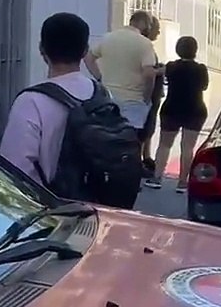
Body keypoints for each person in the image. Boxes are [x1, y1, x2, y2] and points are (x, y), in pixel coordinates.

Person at [3, 12, 143, 207]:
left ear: (42, 49)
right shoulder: (101, 93)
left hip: (53, 213)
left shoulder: (31, 101)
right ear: (85, 50)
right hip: (98, 209)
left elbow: (15, 168)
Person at [145, 35, 210, 192]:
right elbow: (204, 87)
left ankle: (157, 178)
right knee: (188, 147)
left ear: (178, 49)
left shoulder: (171, 66)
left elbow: (157, 72)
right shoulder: (201, 69)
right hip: (195, 110)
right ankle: (182, 182)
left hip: (171, 109)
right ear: (195, 50)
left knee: (164, 145)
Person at [84, 10, 160, 143]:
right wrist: (147, 98)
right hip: (133, 100)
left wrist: (100, 78)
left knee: (108, 140)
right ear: (144, 24)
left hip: (108, 99)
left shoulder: (108, 38)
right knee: (130, 143)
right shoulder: (145, 44)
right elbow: (149, 74)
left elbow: (88, 58)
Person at [140, 15, 165, 173]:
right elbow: (147, 72)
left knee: (149, 126)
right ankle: (142, 159)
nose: (159, 32)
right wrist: (161, 70)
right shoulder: (145, 47)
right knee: (145, 126)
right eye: (157, 29)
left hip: (154, 93)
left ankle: (146, 156)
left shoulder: (147, 47)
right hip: (149, 93)